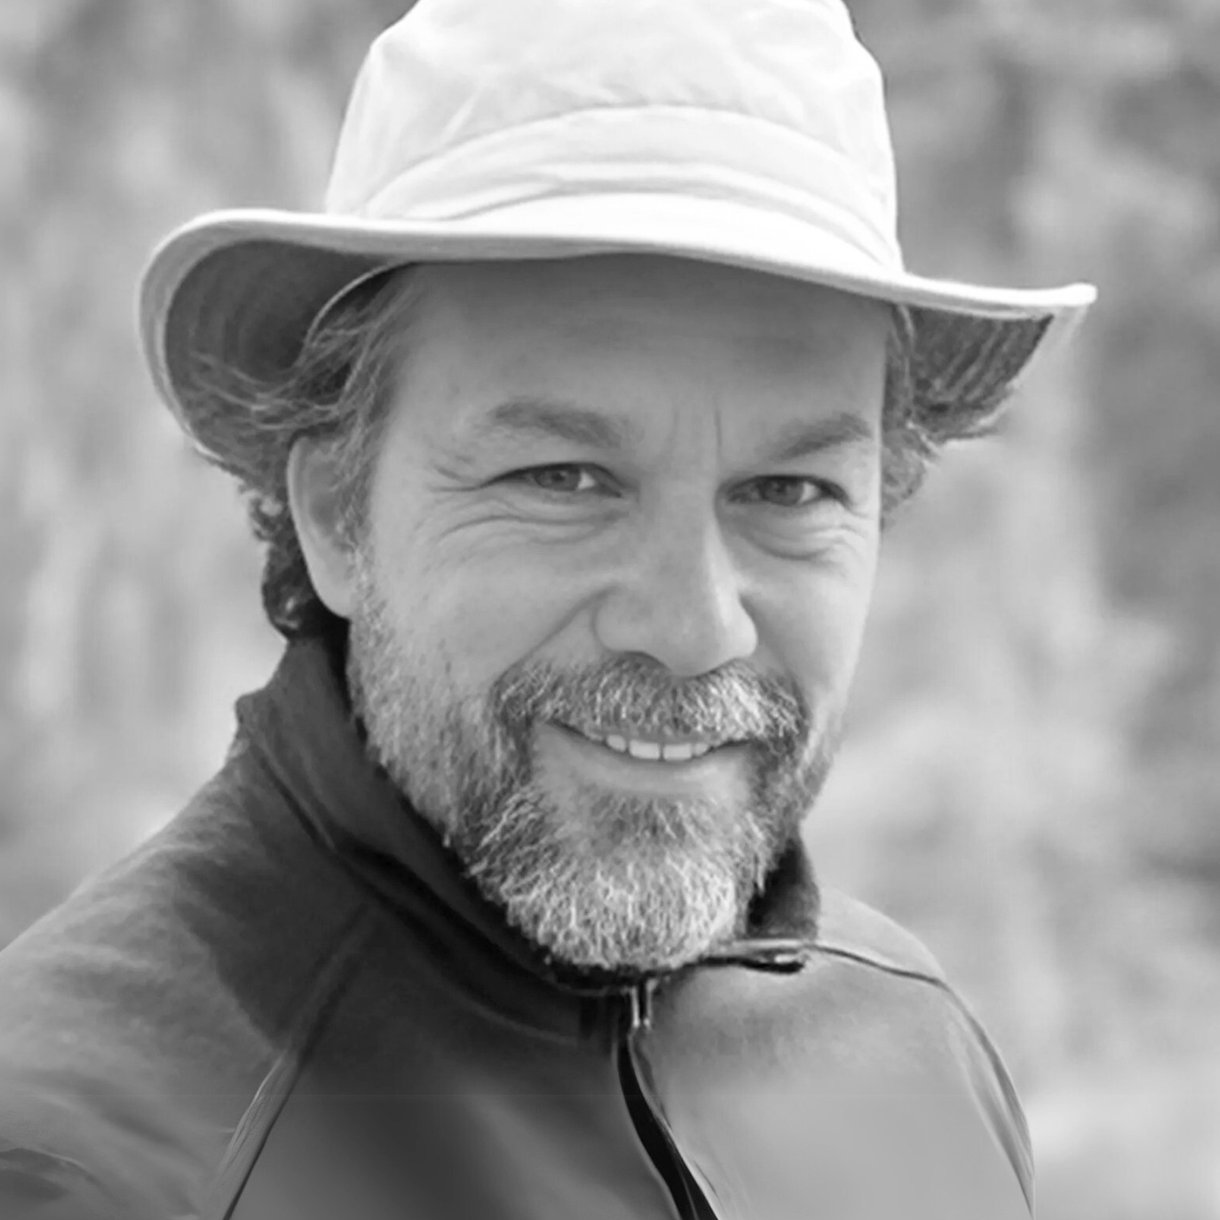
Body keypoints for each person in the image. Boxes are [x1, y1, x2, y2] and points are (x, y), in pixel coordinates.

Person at [0, 0, 1096, 1216]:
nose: (692, 626)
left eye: (787, 489)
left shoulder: (909, 1042)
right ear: (335, 517)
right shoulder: (77, 1156)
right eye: (562, 479)